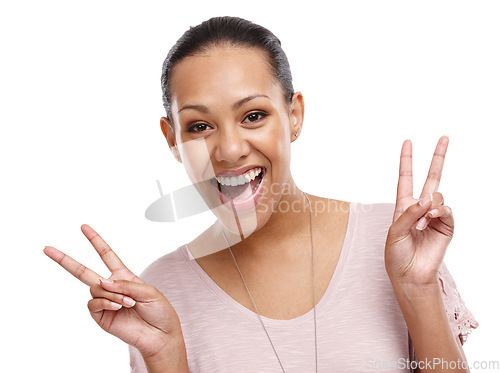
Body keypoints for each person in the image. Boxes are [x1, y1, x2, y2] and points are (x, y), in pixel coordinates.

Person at [43, 16, 478, 372]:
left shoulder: (396, 243)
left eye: (252, 115)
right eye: (199, 126)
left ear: (294, 115)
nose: (230, 149)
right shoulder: (159, 292)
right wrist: (165, 356)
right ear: (172, 139)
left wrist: (418, 289)